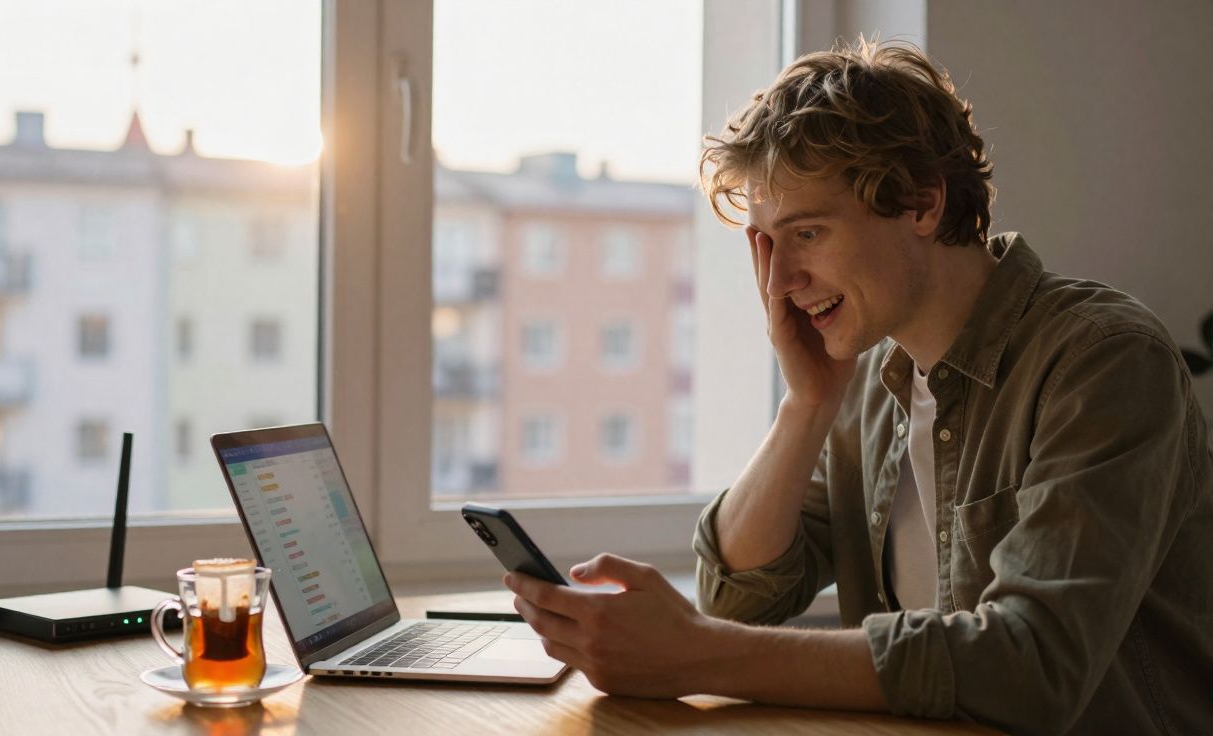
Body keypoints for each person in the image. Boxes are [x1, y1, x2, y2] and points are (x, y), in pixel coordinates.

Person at [503, 38, 1213, 735]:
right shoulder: (873, 380)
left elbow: (1030, 665)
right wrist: (805, 404)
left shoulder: (1106, 361)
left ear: (922, 204)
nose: (779, 283)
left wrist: (695, 655)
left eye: (807, 233)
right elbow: (739, 600)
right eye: (767, 245)